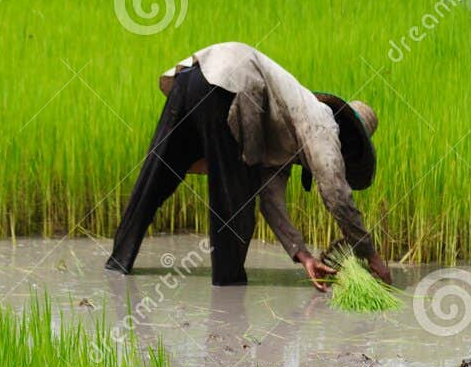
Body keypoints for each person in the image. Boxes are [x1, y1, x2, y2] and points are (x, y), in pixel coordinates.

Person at [107, 42, 391, 291]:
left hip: (190, 80)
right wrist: (369, 253)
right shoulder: (322, 123)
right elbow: (335, 193)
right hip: (228, 88)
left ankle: (117, 265)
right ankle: (227, 293)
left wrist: (303, 255)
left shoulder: (285, 132)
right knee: (235, 206)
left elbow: (270, 200)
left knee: (155, 179)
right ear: (345, 136)